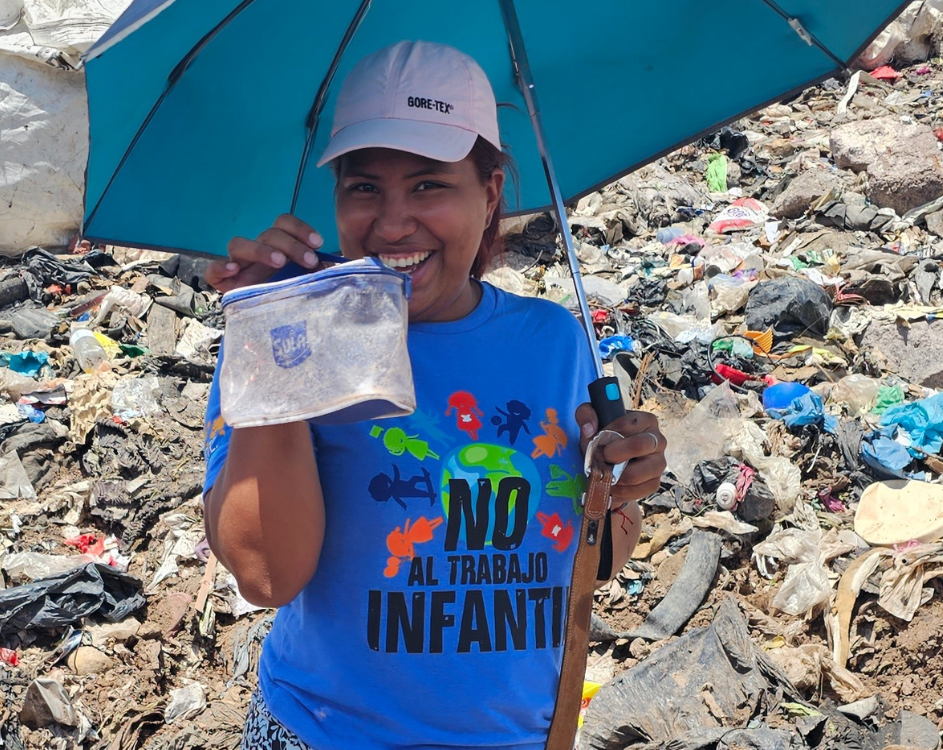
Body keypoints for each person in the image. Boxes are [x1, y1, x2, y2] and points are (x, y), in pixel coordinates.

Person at [202, 41, 667, 750]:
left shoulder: (552, 342)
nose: (392, 224)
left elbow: (584, 565)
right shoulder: (289, 333)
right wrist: (278, 341)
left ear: (488, 196)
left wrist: (625, 486)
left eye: (428, 186)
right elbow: (266, 575)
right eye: (364, 188)